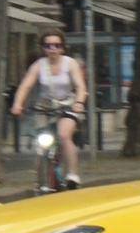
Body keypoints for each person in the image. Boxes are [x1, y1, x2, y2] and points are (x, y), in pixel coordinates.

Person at [9, 32, 88, 188]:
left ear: (62, 48)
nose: (52, 48)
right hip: (44, 108)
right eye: (48, 45)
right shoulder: (38, 65)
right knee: (41, 144)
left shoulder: (70, 63)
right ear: (43, 48)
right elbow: (25, 86)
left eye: (57, 45)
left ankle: (72, 174)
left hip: (67, 105)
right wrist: (17, 104)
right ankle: (41, 181)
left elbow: (80, 86)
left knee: (64, 135)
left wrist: (79, 102)